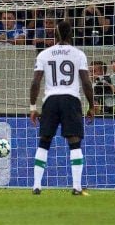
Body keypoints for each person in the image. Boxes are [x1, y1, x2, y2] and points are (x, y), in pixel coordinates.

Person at [29, 20, 95, 196]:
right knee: (74, 142)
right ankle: (77, 187)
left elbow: (35, 82)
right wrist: (91, 106)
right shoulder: (78, 54)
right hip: (71, 99)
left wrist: (32, 107)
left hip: (50, 100)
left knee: (44, 141)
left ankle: (36, 186)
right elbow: (86, 82)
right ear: (70, 34)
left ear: (55, 34)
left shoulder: (44, 54)